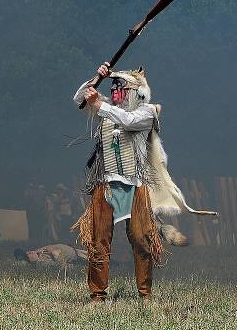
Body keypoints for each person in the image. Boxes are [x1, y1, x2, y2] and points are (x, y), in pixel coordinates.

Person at [71, 62, 215, 302]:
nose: (116, 91)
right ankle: (98, 295)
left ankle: (144, 294)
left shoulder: (148, 112)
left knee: (141, 239)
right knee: (98, 239)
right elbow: (79, 99)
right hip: (105, 184)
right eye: (114, 86)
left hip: (136, 186)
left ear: (134, 91)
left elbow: (127, 121)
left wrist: (99, 103)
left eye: (120, 86)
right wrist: (97, 78)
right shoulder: (106, 108)